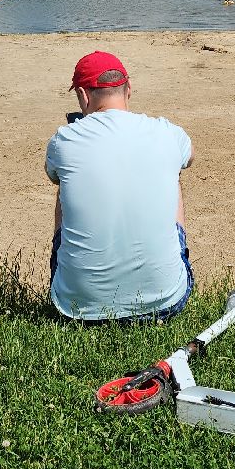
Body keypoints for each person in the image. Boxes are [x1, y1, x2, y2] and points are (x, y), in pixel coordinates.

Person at [45, 51, 194, 321]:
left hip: (77, 309)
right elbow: (190, 157)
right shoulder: (167, 132)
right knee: (173, 173)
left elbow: (54, 175)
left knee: (65, 184)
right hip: (165, 302)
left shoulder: (63, 140)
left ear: (83, 95)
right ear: (129, 90)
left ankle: (85, 282)